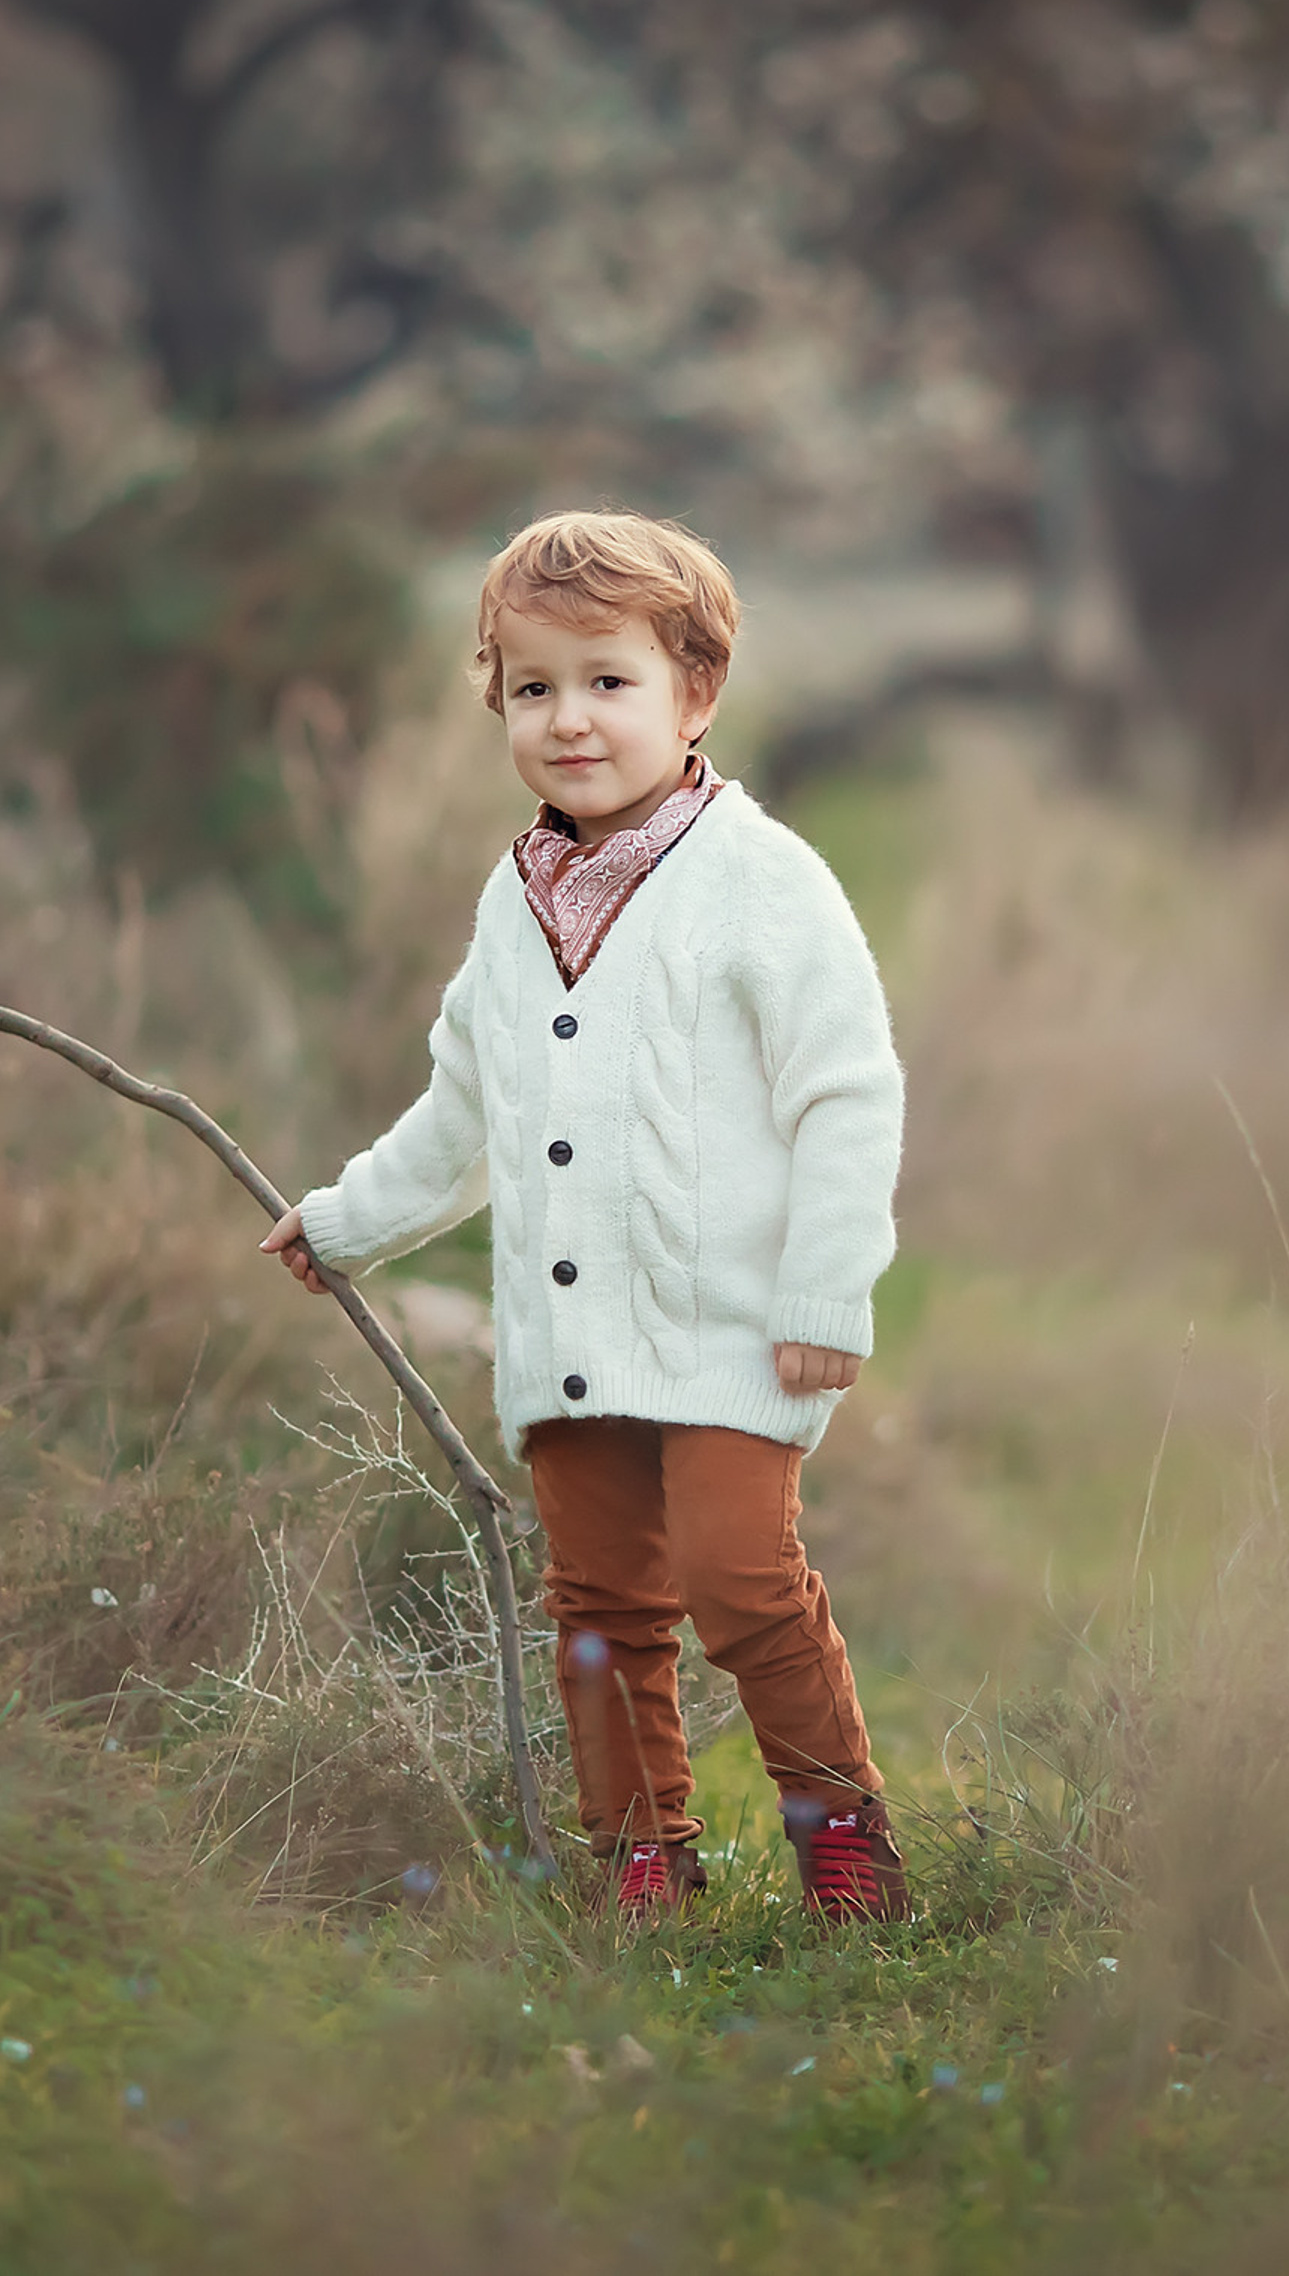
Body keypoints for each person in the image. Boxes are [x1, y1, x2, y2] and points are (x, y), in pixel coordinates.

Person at [259, 510, 909, 1924]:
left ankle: (841, 1831)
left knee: (741, 1581)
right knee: (603, 1611)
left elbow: (846, 1096)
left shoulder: (761, 880)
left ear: (695, 695)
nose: (569, 721)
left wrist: (823, 1297)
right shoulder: (517, 900)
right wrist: (346, 1222)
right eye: (533, 689)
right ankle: (642, 1859)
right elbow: (463, 1112)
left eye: (608, 682)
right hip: (568, 1341)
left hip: (736, 1330)